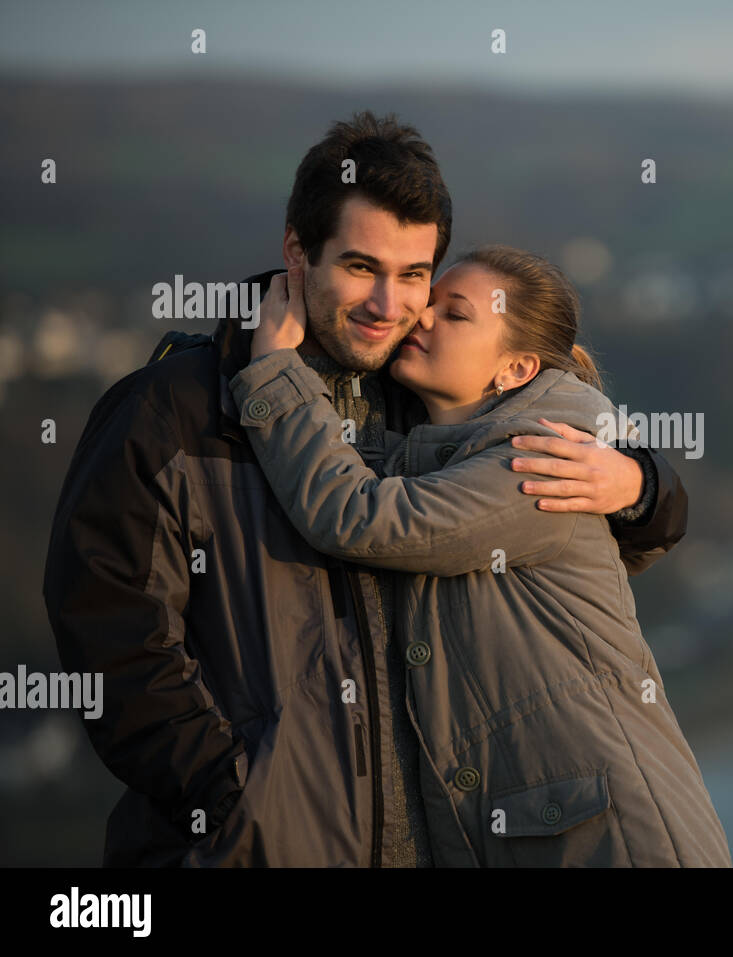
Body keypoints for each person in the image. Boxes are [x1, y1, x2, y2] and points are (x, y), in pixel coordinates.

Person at [41, 112, 689, 866]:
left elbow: (573, 485)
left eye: (414, 276)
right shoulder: (173, 410)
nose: (389, 304)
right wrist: (228, 791)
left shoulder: (419, 399)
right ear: (297, 251)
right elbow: (108, 630)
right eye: (360, 267)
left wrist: (643, 484)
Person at [231, 244, 731, 866]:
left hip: (612, 839)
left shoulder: (541, 455)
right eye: (430, 302)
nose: (423, 318)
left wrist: (276, 373)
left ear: (515, 368)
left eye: (456, 314)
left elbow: (361, 519)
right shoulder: (446, 449)